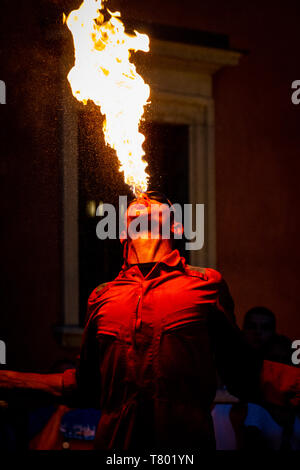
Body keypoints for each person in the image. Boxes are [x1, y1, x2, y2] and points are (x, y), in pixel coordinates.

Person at [0, 191, 299, 450]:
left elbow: (243, 372)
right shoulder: (102, 297)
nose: (143, 197)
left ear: (177, 225)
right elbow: (87, 386)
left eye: (157, 200)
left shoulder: (205, 285)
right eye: (135, 203)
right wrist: (11, 381)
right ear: (121, 231)